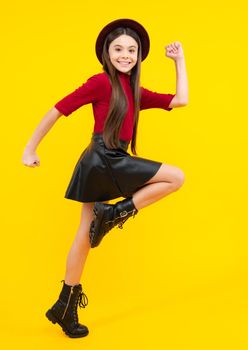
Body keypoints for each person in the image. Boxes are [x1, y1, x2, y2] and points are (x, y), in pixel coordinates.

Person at [22, 18, 188, 338]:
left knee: (84, 237)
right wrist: (30, 148)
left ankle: (64, 306)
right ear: (106, 53)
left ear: (139, 56)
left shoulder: (135, 90)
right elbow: (58, 108)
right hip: (103, 157)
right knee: (175, 177)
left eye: (131, 50)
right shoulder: (100, 82)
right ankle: (112, 214)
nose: (125, 55)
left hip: (104, 161)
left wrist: (179, 61)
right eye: (118, 49)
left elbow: (179, 100)